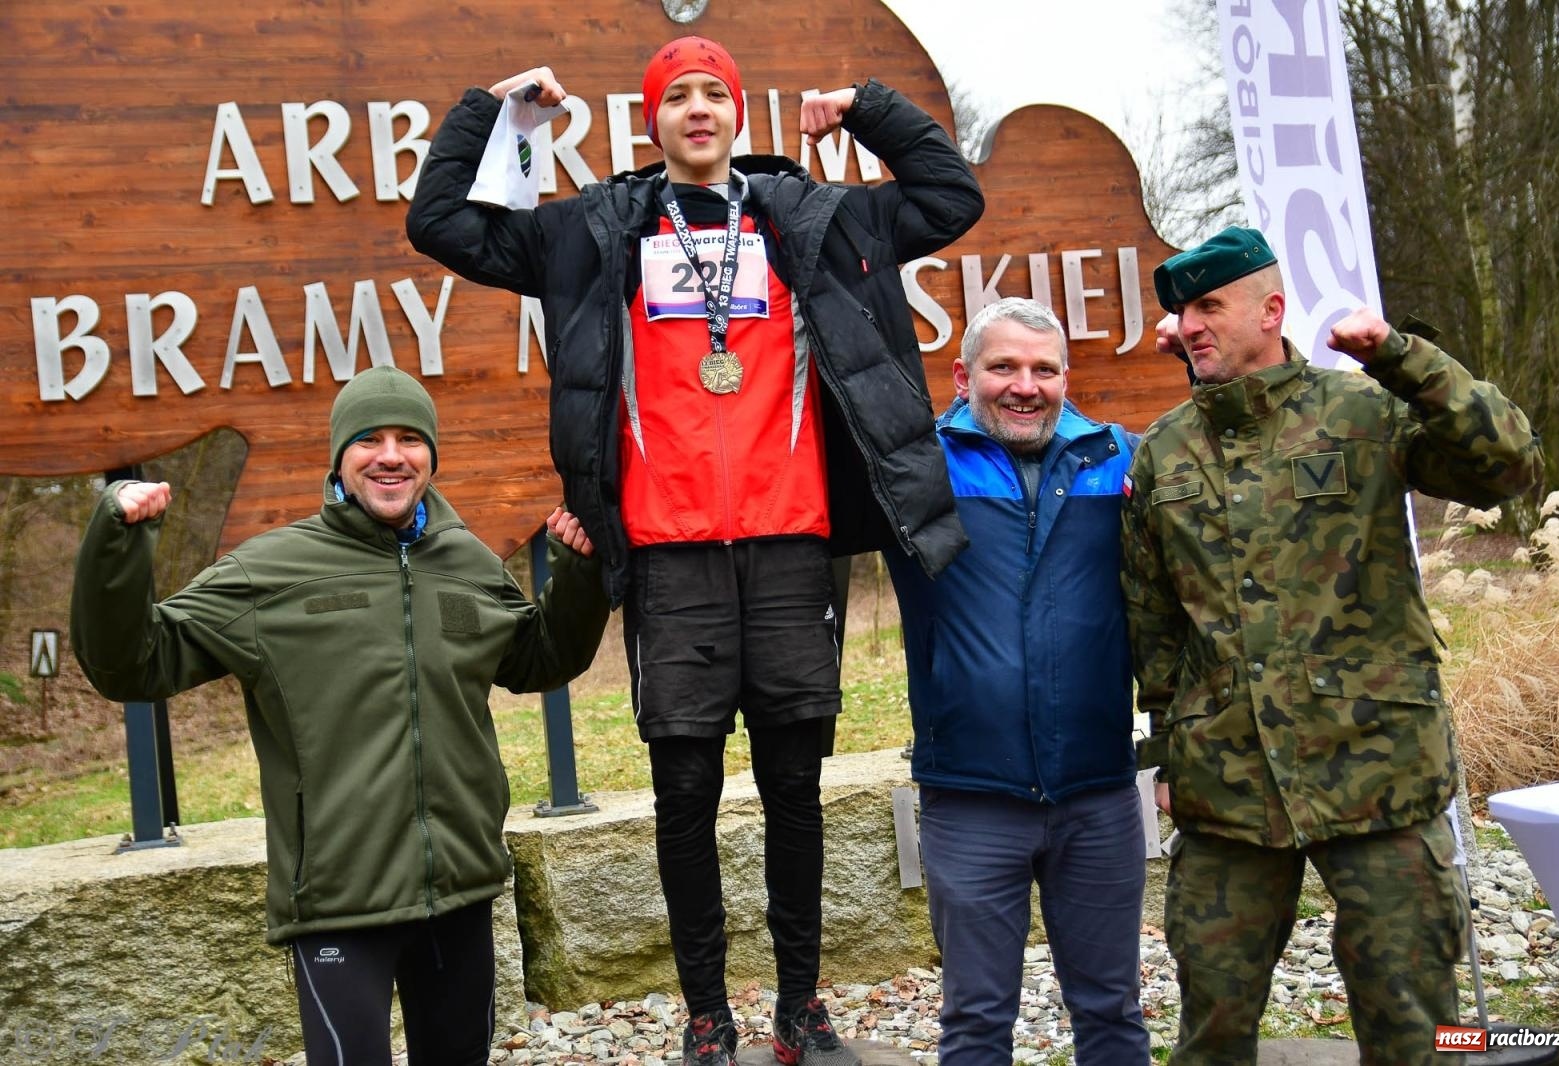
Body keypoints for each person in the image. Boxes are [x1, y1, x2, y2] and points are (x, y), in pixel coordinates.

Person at [406, 35, 983, 1066]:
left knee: (794, 788)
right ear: (653, 121)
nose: (699, 109)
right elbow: (441, 222)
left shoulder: (813, 218)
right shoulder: (594, 231)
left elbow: (950, 197)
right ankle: (706, 1014)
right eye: (678, 97)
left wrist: (865, 106)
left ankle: (801, 1010)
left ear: (739, 111)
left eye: (716, 92)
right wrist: (491, 113)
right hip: (669, 554)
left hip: (791, 543)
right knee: (684, 794)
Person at [69, 365, 610, 1066]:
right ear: (339, 458)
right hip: (337, 903)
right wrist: (117, 544)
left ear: (431, 456)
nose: (391, 456)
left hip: (461, 889)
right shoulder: (272, 571)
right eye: (369, 440)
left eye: (409, 439)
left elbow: (539, 659)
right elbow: (133, 664)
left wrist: (578, 576)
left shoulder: (468, 561)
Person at [1120, 226, 1544, 1063]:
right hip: (1228, 787)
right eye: (1183, 311)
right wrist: (1166, 754)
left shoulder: (1363, 411)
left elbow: (1509, 465)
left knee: (1415, 1030)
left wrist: (1399, 356)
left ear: (1270, 310)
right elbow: (1155, 621)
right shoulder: (1164, 452)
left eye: (1211, 306)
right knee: (1211, 1030)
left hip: (1379, 770)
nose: (1190, 324)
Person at [884, 298, 1150, 1065]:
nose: (1025, 385)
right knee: (975, 1022)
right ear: (962, 376)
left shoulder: (1120, 460)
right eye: (1003, 367)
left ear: (1066, 377)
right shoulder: (915, 470)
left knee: (1113, 1013)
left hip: (1098, 795)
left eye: (1044, 369)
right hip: (971, 796)